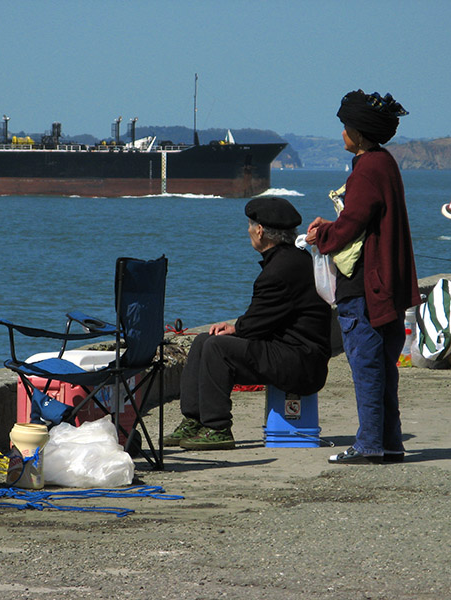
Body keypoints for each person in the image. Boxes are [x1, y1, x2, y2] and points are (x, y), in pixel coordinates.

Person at [164, 196, 332, 451]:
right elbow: (267, 315)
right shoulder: (289, 259)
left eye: (250, 226)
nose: (248, 231)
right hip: (292, 351)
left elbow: (257, 323)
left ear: (261, 231)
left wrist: (236, 328)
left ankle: (217, 427)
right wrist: (238, 328)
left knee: (216, 347)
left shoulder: (279, 270)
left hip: (301, 361)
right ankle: (194, 419)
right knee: (202, 341)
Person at [306, 90, 419, 465]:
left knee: (366, 365)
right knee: (384, 366)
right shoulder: (384, 162)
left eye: (346, 127)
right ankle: (389, 442)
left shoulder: (366, 167)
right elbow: (363, 218)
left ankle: (370, 444)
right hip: (388, 283)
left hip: (366, 286)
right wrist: (335, 225)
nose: (342, 134)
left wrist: (323, 236)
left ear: (359, 132)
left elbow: (353, 222)